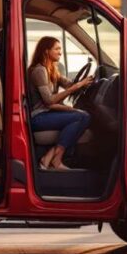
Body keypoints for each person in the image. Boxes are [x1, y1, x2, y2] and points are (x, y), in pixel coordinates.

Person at [28, 36, 93, 171]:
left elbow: (70, 84)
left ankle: (51, 156)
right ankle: (56, 159)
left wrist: (84, 83)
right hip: (38, 117)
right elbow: (49, 100)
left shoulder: (52, 69)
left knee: (83, 116)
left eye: (60, 49)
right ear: (46, 51)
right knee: (82, 116)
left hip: (49, 113)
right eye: (57, 49)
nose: (60, 52)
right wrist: (76, 87)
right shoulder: (39, 70)